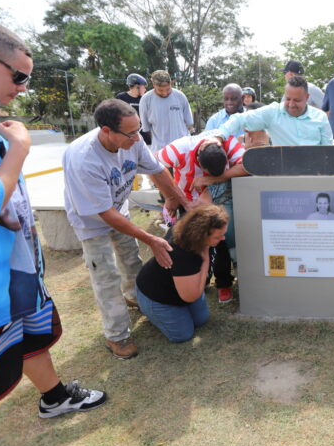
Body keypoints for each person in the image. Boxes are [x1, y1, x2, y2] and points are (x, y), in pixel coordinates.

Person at [0, 22, 105, 446]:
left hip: (9, 268)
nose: (23, 87)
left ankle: (53, 396)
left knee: (27, 335)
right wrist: (18, 149)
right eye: (18, 76)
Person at [63, 99, 189, 359]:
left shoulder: (133, 139)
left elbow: (157, 170)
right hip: (92, 221)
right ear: (107, 131)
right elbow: (104, 213)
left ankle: (135, 298)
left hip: (117, 209)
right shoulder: (84, 159)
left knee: (132, 261)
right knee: (106, 277)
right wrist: (150, 238)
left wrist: (181, 200)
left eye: (139, 130)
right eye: (131, 133)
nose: (137, 138)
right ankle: (117, 335)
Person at [157, 131, 246, 304]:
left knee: (219, 242)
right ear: (199, 164)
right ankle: (195, 281)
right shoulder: (179, 148)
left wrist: (213, 179)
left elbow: (246, 166)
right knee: (189, 245)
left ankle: (224, 284)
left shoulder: (228, 141)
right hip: (187, 203)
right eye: (208, 173)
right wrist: (171, 197)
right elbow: (153, 165)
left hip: (216, 203)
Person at [136, 205, 228, 342]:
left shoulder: (188, 229)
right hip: (155, 295)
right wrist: (205, 258)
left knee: (201, 320)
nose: (223, 238)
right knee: (183, 334)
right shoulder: (183, 254)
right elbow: (191, 296)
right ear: (201, 235)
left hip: (176, 286)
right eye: (218, 236)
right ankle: (150, 310)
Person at [216, 76, 334, 146]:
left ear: (307, 98)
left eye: (297, 100)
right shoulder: (273, 112)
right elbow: (239, 119)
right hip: (282, 179)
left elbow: (329, 150)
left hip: (315, 178)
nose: (291, 104)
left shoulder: (320, 117)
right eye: (288, 99)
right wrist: (219, 136)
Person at [139, 70, 194, 152]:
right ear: (153, 85)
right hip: (160, 150)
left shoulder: (180, 96)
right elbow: (146, 128)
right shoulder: (146, 100)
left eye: (168, 89)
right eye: (160, 90)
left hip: (182, 148)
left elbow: (189, 122)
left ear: (170, 83)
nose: (165, 93)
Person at [206, 83, 268, 149]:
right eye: (226, 99)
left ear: (242, 98)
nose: (229, 102)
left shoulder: (252, 116)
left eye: (233, 99)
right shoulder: (214, 120)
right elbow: (207, 144)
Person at [115, 73, 151, 145]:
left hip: (145, 138)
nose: (145, 89)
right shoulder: (121, 97)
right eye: (143, 86)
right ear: (137, 86)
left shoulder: (144, 99)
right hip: (128, 137)